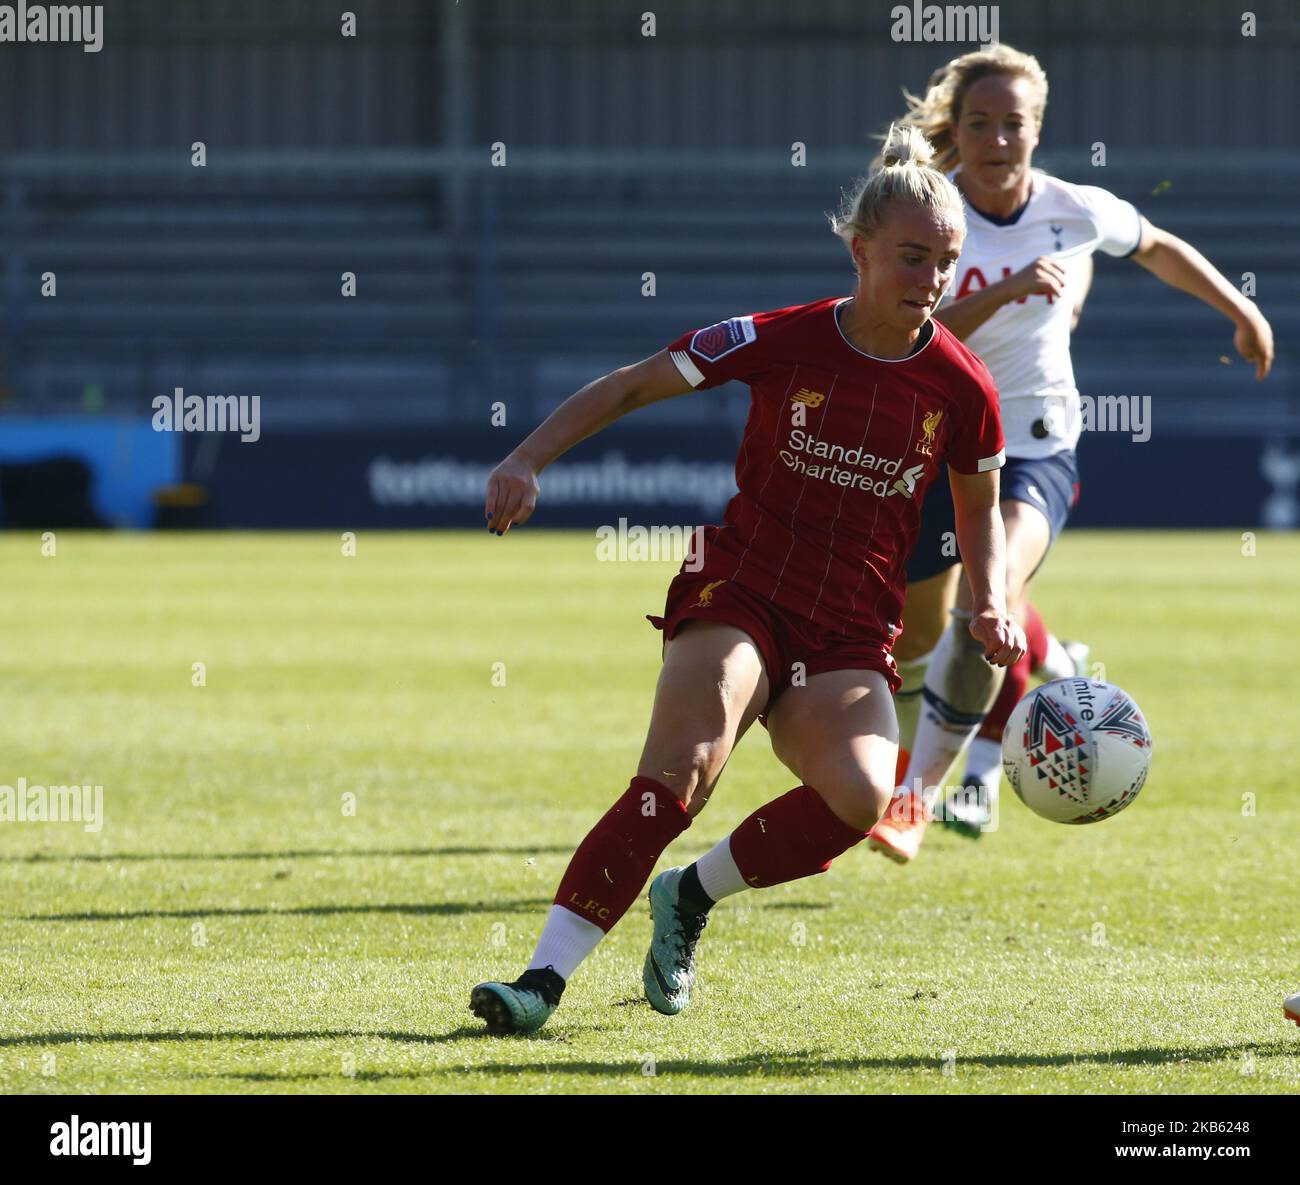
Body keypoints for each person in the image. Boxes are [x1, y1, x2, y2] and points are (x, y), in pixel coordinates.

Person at [470, 125, 1025, 1035]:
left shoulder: (963, 388)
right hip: (744, 590)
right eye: (912, 258)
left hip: (850, 627)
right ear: (861, 251)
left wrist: (992, 602)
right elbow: (632, 385)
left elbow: (977, 513)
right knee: (681, 773)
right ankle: (541, 979)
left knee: (861, 797)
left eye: (946, 264)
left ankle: (688, 897)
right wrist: (527, 458)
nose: (930, 281)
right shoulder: (781, 338)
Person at [867, 45, 1275, 863]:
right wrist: (1009, 289)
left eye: (1012, 123)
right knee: (910, 643)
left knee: (990, 603)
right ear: (957, 128)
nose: (996, 138)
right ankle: (1050, 661)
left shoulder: (1070, 206)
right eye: (978, 123)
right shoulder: (933, 214)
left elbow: (1154, 242)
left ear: (1037, 129)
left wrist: (1241, 309)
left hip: (1032, 450)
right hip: (933, 451)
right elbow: (907, 330)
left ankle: (918, 799)